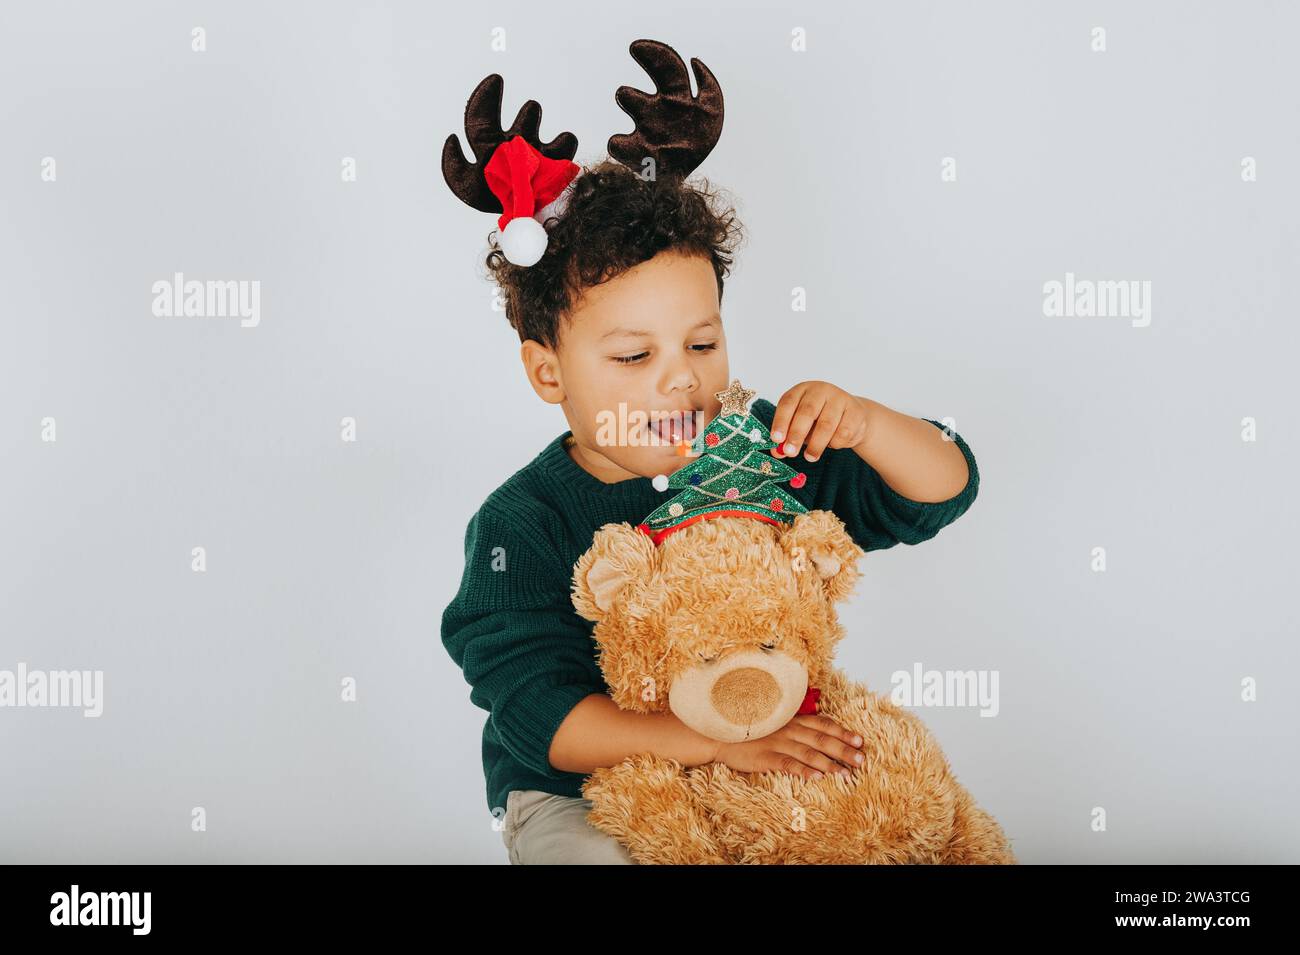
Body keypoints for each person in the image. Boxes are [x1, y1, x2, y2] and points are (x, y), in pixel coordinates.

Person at [440, 159, 980, 864]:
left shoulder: (758, 448)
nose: (682, 377)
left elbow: (941, 488)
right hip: (584, 789)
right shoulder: (523, 522)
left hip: (766, 752)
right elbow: (537, 713)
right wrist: (713, 743)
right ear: (549, 371)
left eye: (702, 343)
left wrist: (866, 424)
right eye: (634, 355)